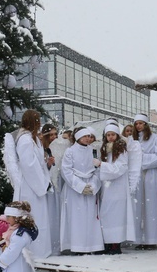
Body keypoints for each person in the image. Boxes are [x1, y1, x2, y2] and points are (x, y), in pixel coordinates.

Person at [60, 127, 105, 254]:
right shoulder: (70, 151)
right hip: (74, 189)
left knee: (91, 217)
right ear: (78, 137)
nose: (88, 139)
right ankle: (77, 246)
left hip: (90, 186)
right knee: (76, 217)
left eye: (89, 136)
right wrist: (80, 186)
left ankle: (92, 245)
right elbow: (66, 170)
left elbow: (97, 170)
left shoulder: (93, 151)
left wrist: (93, 185)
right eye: (85, 136)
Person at [15, 109, 53, 258]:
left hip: (38, 183)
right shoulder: (25, 139)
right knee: (32, 217)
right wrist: (42, 184)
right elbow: (28, 164)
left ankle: (41, 251)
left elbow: (37, 161)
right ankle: (33, 253)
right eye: (37, 120)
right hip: (29, 186)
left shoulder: (34, 139)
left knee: (39, 218)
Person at [133, 114, 157, 248]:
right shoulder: (133, 140)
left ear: (146, 125)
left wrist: (142, 160)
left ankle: (151, 239)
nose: (139, 126)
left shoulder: (154, 138)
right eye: (136, 124)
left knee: (151, 207)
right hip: (137, 176)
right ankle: (138, 239)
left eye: (141, 123)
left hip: (150, 175)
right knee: (138, 207)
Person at [99, 124, 133, 254]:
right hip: (107, 187)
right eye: (108, 135)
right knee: (106, 215)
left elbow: (120, 168)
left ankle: (115, 244)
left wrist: (102, 165)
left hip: (117, 187)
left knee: (116, 215)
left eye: (113, 134)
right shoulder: (105, 149)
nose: (110, 137)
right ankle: (107, 242)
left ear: (117, 135)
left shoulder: (121, 149)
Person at [40, 123, 61, 256]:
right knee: (48, 215)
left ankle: (56, 244)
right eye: (51, 134)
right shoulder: (41, 148)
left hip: (55, 184)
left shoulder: (56, 147)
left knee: (55, 215)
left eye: (55, 134)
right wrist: (47, 164)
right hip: (46, 186)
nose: (53, 137)